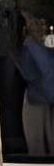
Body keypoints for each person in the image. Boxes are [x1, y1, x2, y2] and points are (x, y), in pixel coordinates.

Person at [17, 16, 54, 158]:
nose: (41, 27)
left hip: (37, 96)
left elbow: (29, 73)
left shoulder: (31, 45)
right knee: (38, 143)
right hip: (40, 96)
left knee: (36, 144)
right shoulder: (33, 45)